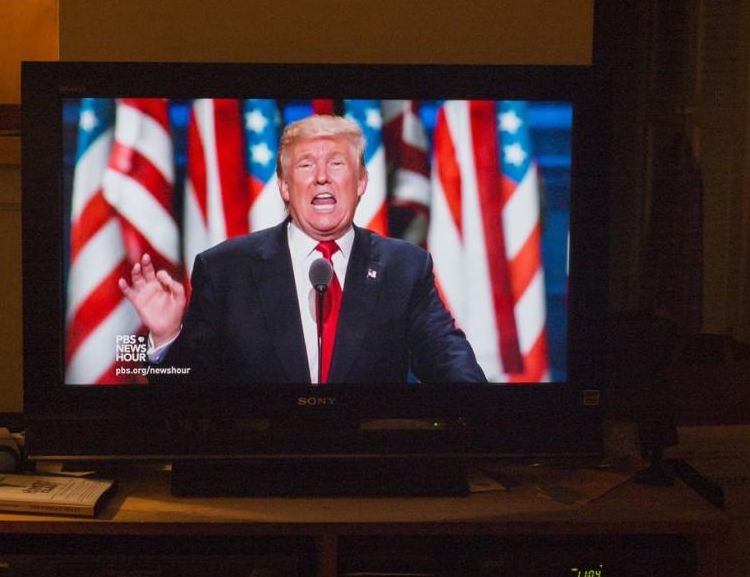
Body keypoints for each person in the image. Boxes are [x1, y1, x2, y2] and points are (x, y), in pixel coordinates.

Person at [119, 114, 485, 384]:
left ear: (361, 183)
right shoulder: (225, 269)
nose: (321, 176)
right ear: (283, 187)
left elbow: (448, 362)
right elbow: (191, 393)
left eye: (337, 163)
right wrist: (167, 337)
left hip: (370, 467)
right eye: (306, 165)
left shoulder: (404, 267)